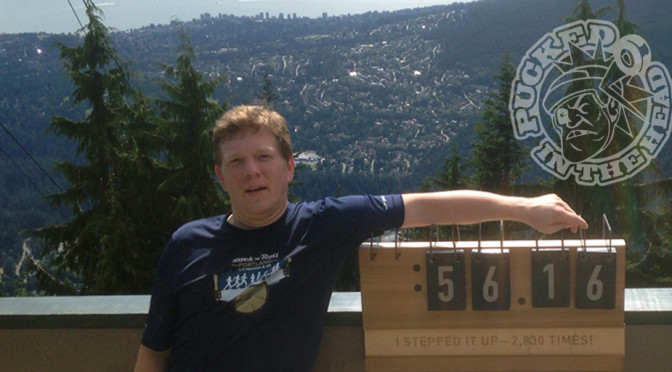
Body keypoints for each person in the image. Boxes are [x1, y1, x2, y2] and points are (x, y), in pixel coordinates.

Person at [134, 105, 588, 371]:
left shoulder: (324, 225)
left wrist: (524, 210)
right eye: (235, 162)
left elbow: (428, 207)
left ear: (290, 167)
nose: (251, 171)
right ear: (220, 176)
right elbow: (153, 352)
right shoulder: (186, 244)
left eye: (264, 157)